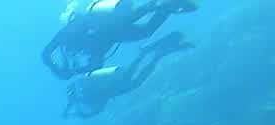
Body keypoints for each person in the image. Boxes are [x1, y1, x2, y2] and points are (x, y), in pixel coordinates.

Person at [42, 0, 198, 80]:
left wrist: (57, 69)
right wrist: (77, 70)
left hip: (109, 25)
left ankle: (163, 5)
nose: (71, 51)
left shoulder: (65, 33)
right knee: (146, 30)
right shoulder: (79, 45)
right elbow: (97, 63)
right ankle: (169, 6)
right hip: (113, 33)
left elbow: (45, 54)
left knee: (139, 18)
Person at [63, 30, 194, 117]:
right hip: (115, 77)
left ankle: (152, 53)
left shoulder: (86, 97)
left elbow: (97, 109)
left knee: (136, 78)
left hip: (115, 84)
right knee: (135, 77)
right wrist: (74, 110)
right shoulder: (83, 92)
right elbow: (97, 105)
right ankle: (155, 53)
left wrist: (78, 113)